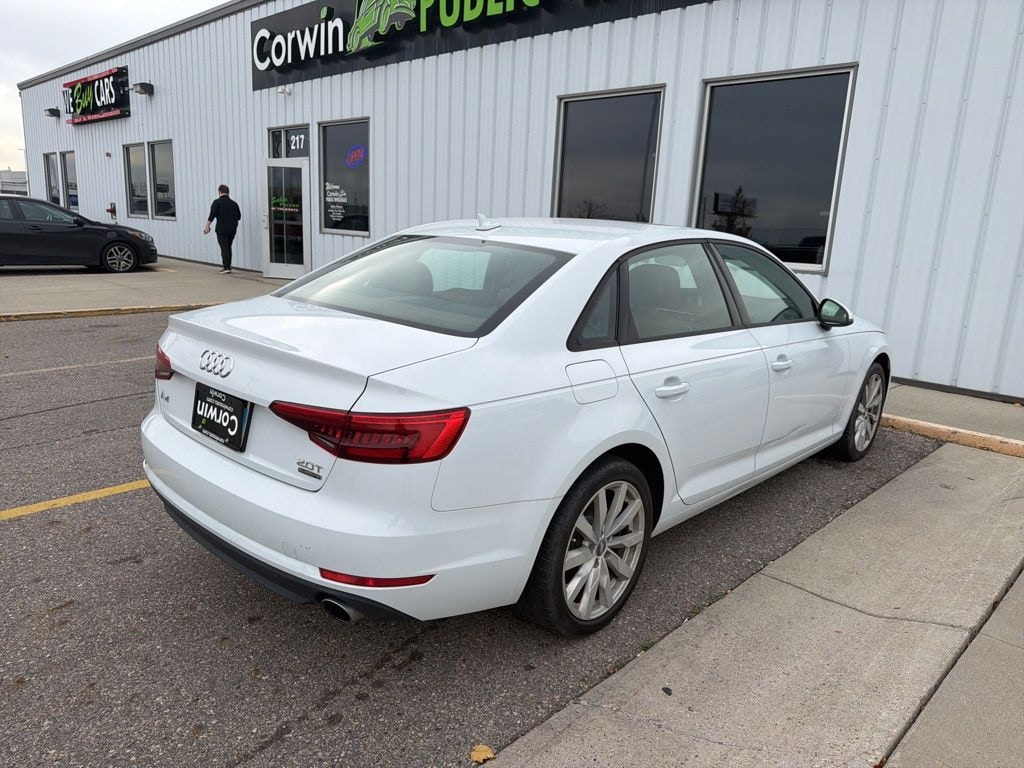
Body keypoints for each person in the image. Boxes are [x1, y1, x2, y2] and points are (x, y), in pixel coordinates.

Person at [203, 184, 241, 274]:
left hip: (222, 229)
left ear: (219, 192)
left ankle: (226, 267)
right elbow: (239, 217)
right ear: (228, 192)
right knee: (228, 247)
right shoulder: (234, 204)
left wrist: (207, 226)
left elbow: (212, 215)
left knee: (224, 248)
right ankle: (228, 266)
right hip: (232, 229)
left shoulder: (217, 202)